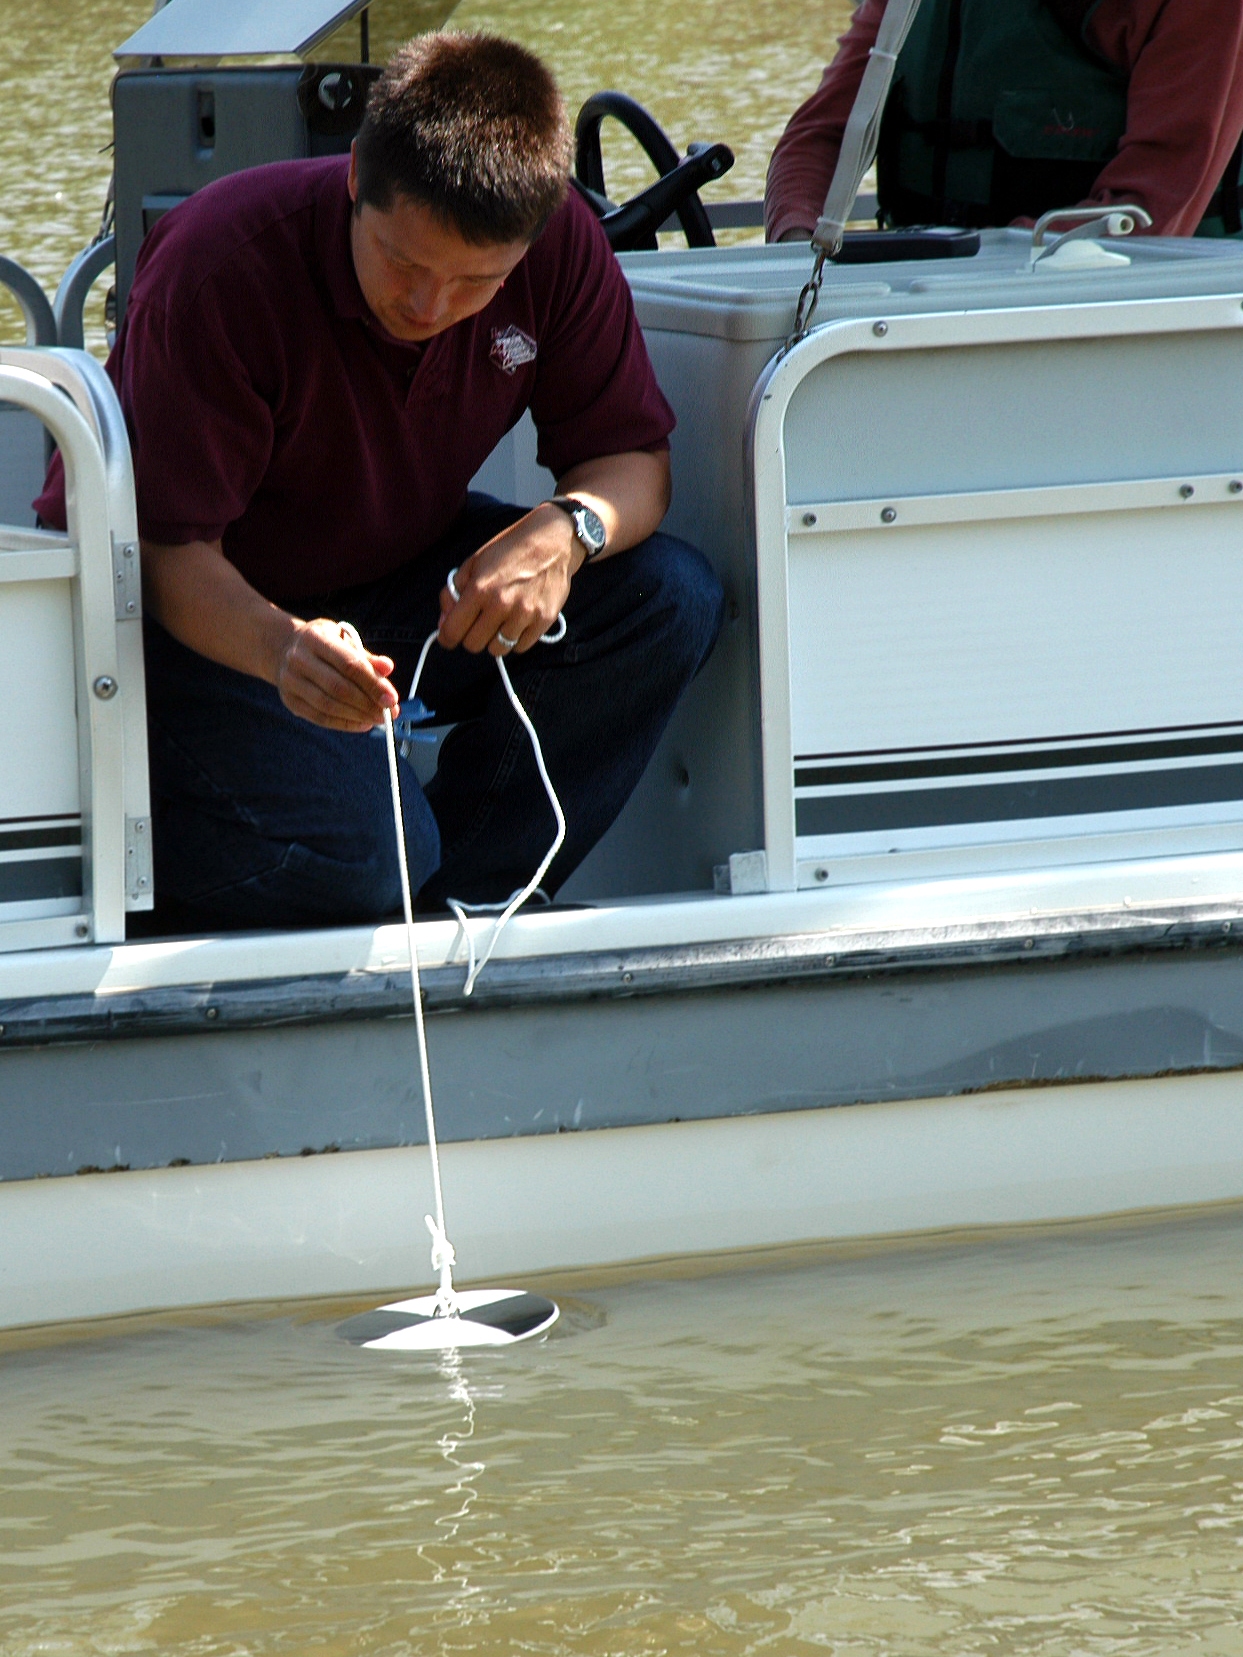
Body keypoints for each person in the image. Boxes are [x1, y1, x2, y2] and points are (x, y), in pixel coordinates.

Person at [38, 32, 724, 931]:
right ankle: (194, 875)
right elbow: (162, 552)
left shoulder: (560, 246)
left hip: (380, 568)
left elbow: (631, 465)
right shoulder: (221, 265)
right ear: (357, 174)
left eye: (478, 282)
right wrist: (283, 650)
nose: (431, 308)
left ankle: (460, 911)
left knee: (667, 596)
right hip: (167, 616)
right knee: (368, 850)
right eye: (403, 263)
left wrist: (567, 530)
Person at [765, 0, 1243, 244]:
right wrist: (798, 241)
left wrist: (969, 274)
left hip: (1135, 334)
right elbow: (818, 137)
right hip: (924, 314)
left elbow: (1155, 210)